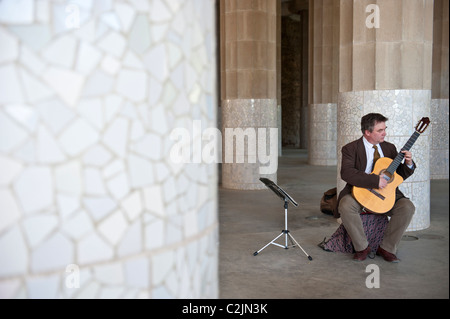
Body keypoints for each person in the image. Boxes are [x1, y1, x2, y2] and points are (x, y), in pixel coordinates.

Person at [336, 113, 416, 262]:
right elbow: (346, 173)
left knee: (407, 207)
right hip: (360, 191)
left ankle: (387, 248)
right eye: (380, 130)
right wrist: (374, 180)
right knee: (345, 205)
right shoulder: (350, 148)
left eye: (385, 129)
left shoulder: (390, 148)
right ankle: (362, 247)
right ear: (367, 132)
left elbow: (398, 176)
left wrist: (409, 163)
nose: (384, 133)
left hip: (386, 194)